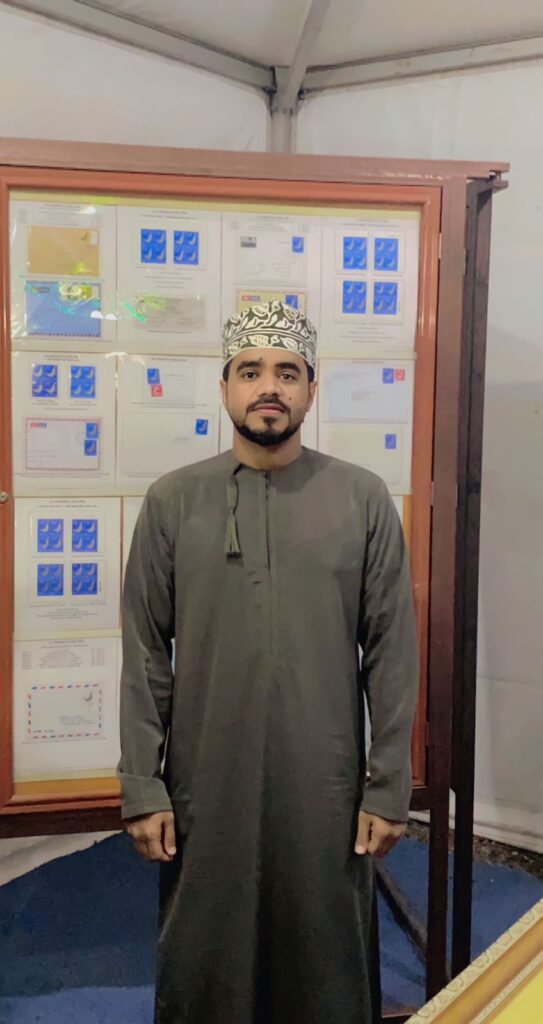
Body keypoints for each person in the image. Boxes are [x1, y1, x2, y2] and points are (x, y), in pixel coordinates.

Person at [119, 299, 419, 1024]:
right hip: (205, 778)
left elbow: (390, 650)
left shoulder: (361, 499)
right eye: (250, 371)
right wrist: (143, 785)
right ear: (224, 386)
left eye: (287, 373)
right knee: (205, 953)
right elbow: (144, 650)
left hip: (326, 780)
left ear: (312, 389)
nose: (269, 388)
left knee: (325, 956)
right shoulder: (174, 501)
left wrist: (387, 787)